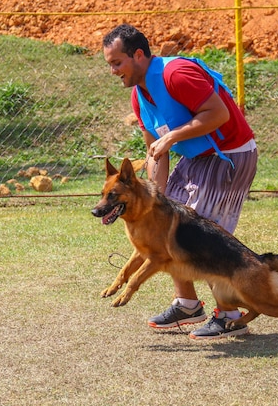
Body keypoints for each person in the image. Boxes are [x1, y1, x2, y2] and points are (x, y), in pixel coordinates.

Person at [102, 24, 258, 339]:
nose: (113, 71)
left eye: (117, 62)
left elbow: (218, 115)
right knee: (163, 224)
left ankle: (229, 315)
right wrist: (151, 198)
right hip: (195, 157)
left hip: (228, 155)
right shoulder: (139, 96)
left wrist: (172, 137)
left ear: (139, 55)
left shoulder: (177, 75)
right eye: (109, 64)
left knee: (197, 235)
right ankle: (187, 303)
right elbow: (155, 153)